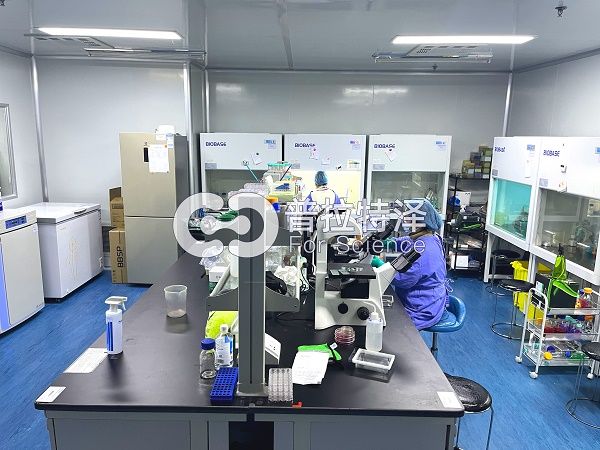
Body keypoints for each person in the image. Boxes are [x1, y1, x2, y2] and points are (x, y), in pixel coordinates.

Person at [389, 199, 450, 330]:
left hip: (422, 307)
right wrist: (390, 243)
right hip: (431, 297)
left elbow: (403, 279)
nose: (405, 220)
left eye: (408, 218)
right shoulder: (431, 237)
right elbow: (408, 241)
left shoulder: (423, 250)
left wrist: (381, 266)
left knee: (390, 327)